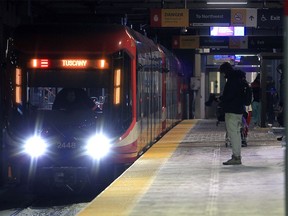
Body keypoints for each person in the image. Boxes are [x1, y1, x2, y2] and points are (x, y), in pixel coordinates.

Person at [219, 62, 246, 165]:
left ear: (226, 71)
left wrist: (222, 99)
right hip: (238, 110)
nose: (223, 75)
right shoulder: (239, 78)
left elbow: (230, 96)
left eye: (223, 72)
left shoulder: (232, 81)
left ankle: (236, 157)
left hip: (232, 111)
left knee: (233, 134)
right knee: (237, 134)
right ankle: (237, 156)